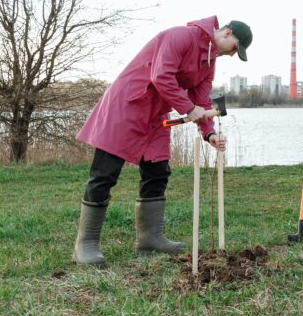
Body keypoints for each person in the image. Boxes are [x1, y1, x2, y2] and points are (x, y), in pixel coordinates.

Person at [72, 16, 252, 266]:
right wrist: (188, 108)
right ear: (227, 33)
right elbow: (161, 76)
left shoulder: (209, 63)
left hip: (156, 117)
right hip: (127, 106)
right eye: (235, 49)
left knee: (158, 171)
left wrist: (209, 133)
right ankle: (86, 244)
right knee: (105, 173)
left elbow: (201, 100)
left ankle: (150, 239)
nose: (232, 55)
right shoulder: (180, 36)